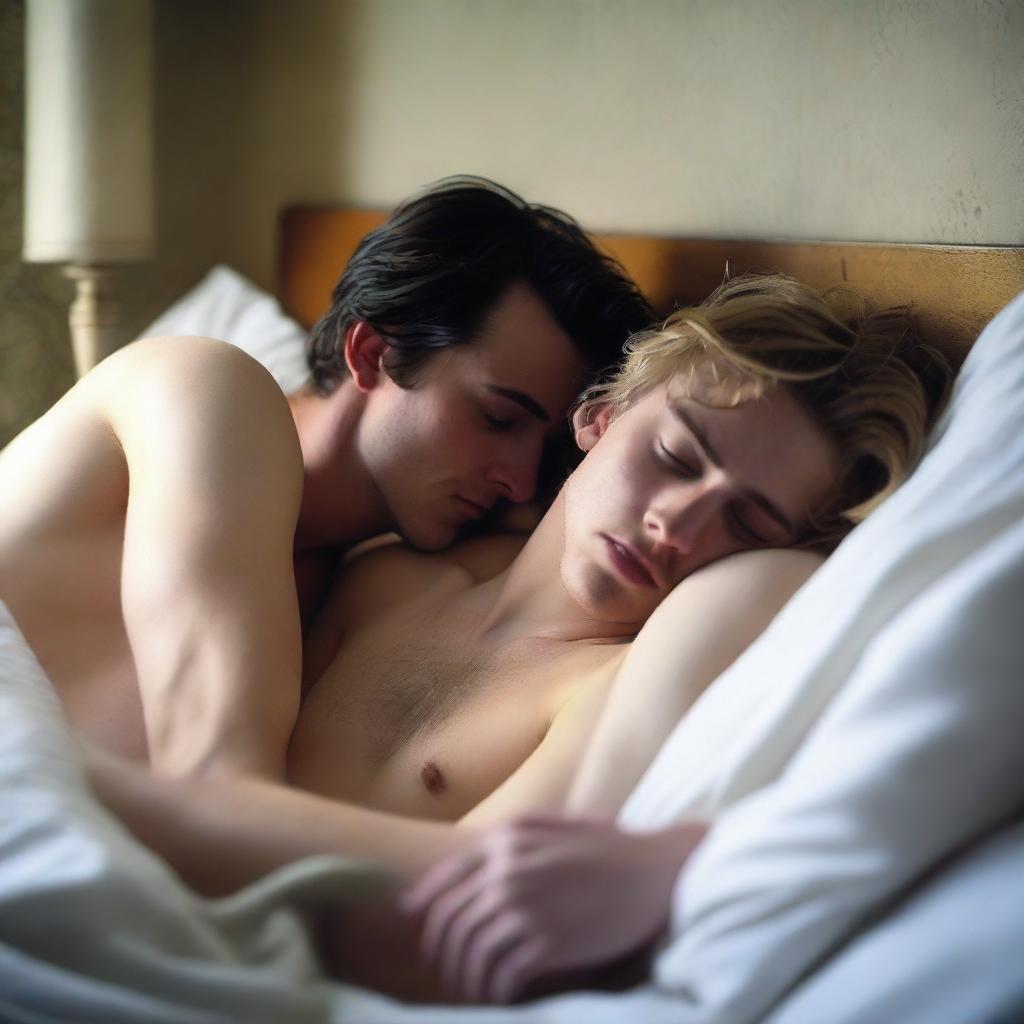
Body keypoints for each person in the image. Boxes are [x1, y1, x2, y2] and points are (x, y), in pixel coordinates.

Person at [88, 273, 951, 1001]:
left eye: (748, 520)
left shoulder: (611, 682)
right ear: (602, 418)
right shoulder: (382, 570)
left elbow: (466, 921)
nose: (674, 524)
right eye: (679, 458)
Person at [0, 175, 651, 782]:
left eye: (544, 454)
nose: (517, 481)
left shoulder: (359, 590)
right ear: (372, 353)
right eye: (497, 417)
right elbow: (216, 778)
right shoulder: (210, 390)